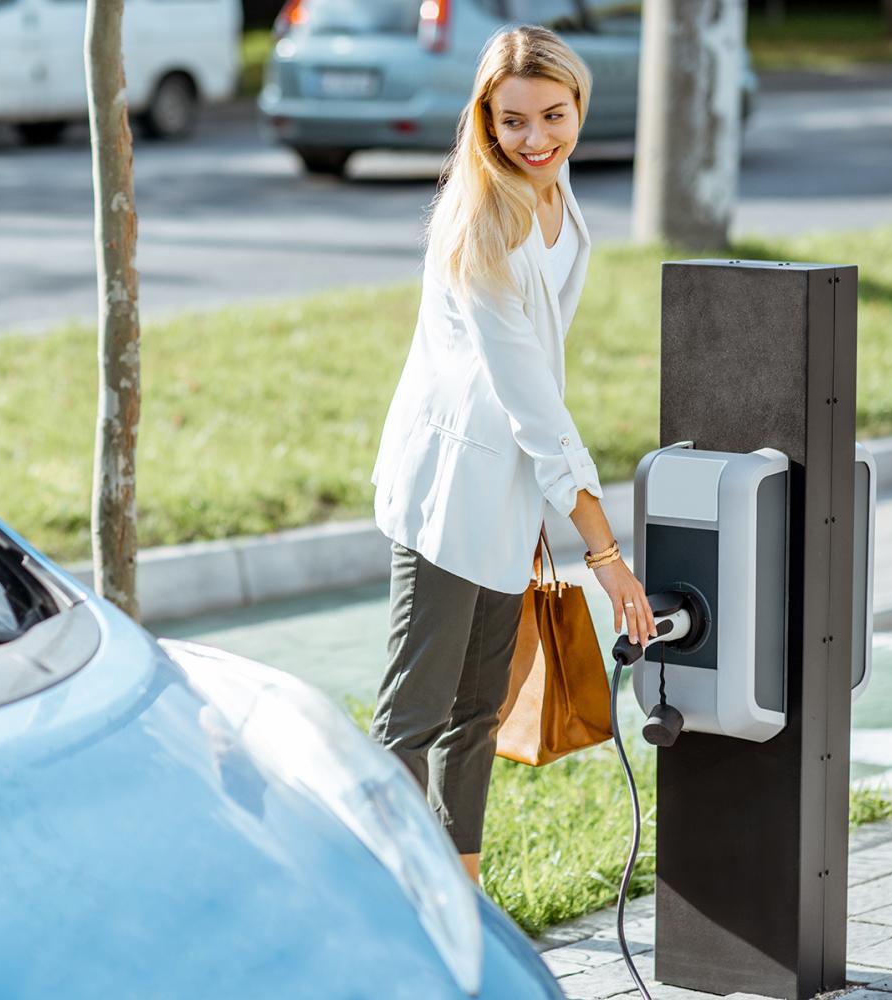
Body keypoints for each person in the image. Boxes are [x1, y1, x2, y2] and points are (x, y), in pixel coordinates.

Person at [367, 25, 657, 886]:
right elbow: (532, 402)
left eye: (553, 117)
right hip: (452, 486)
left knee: (477, 711)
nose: (534, 141)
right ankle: (383, 896)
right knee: (412, 717)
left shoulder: (557, 197)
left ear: (579, 106)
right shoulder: (481, 228)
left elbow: (540, 393)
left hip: (509, 487)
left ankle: (461, 892)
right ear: (484, 120)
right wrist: (605, 554)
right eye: (512, 122)